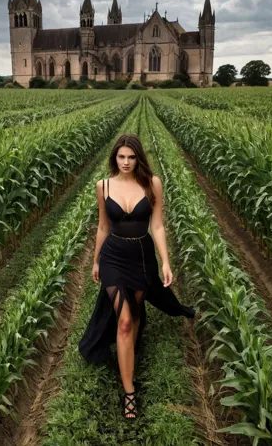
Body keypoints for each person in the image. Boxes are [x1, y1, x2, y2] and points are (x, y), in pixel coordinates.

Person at [78, 134, 195, 420]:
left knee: (137, 310)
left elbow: (156, 225)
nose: (126, 162)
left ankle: (130, 345)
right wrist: (95, 262)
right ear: (114, 158)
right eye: (121, 157)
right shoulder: (103, 186)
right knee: (125, 320)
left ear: (138, 157)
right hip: (113, 258)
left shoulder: (152, 183)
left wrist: (166, 262)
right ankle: (129, 393)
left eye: (131, 157)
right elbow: (103, 227)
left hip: (142, 257)